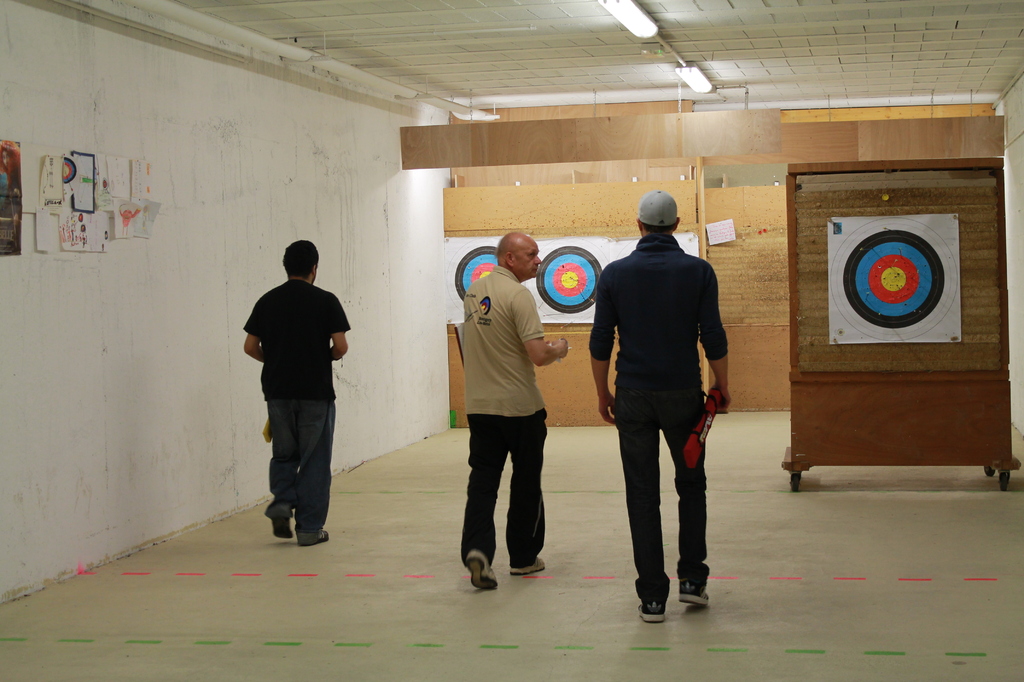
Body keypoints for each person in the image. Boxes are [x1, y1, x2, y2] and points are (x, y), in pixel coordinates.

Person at [589, 190, 730, 623]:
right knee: (691, 485)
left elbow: (600, 341)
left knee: (642, 493)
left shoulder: (615, 274)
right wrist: (722, 385)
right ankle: (692, 581)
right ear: (676, 225)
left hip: (632, 395)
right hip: (683, 395)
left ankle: (652, 598)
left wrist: (603, 393)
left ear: (639, 225)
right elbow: (713, 335)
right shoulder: (699, 271)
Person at [460, 232, 569, 589]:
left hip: (480, 407)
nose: (539, 261)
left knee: (482, 484)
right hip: (520, 409)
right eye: (531, 254)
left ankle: (477, 551)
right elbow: (538, 355)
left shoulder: (474, 291)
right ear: (510, 258)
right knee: (526, 483)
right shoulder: (519, 295)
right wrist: (559, 348)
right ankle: (523, 558)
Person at [244, 240, 350, 547]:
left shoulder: (267, 301)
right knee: (315, 460)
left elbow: (250, 347)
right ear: (314, 268)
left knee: (284, 453)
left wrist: (275, 361)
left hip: (277, 391)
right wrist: (326, 357)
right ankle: (309, 529)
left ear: (286, 266)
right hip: (315, 392)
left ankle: (281, 501)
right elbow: (341, 346)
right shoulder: (326, 300)